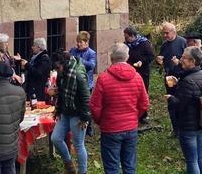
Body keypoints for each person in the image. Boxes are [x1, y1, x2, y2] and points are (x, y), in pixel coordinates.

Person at [90, 43, 149, 174]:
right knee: (129, 166)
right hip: (130, 127)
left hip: (110, 128)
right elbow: (144, 103)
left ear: (111, 58)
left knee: (111, 167)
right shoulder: (137, 77)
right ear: (127, 57)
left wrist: (100, 121)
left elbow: (95, 106)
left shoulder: (103, 79)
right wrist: (134, 117)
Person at [165, 47, 202, 174]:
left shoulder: (188, 81)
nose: (181, 59)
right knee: (201, 157)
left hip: (188, 125)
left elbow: (180, 104)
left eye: (184, 58)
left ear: (193, 61)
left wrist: (170, 98)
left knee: (191, 160)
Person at [50, 51, 91, 174]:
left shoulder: (77, 74)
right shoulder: (62, 74)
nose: (56, 70)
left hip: (77, 114)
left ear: (65, 63)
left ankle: (82, 171)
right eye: (55, 68)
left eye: (57, 67)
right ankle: (69, 165)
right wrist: (57, 101)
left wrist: (85, 118)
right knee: (55, 138)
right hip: (65, 111)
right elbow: (62, 93)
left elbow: (85, 98)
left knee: (78, 145)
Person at [123, 27, 154, 124]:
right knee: (130, 94)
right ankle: (132, 114)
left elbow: (151, 57)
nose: (125, 39)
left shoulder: (144, 43)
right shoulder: (126, 45)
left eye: (127, 37)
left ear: (133, 36)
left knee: (142, 93)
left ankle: (143, 115)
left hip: (142, 72)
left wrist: (142, 61)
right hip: (130, 72)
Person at [17, 38, 50, 102]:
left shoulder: (44, 59)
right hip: (31, 88)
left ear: (39, 47)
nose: (32, 47)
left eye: (34, 46)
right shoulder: (35, 57)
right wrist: (20, 60)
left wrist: (27, 65)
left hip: (38, 89)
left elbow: (38, 73)